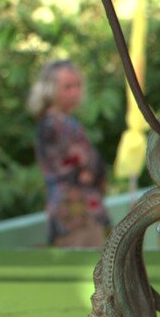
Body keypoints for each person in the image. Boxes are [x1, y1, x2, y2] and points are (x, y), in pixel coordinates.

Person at [28, 60, 109, 247]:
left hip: (79, 211)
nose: (75, 92)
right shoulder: (55, 124)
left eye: (77, 86)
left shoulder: (61, 122)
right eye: (67, 87)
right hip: (73, 214)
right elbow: (86, 162)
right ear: (50, 90)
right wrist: (90, 170)